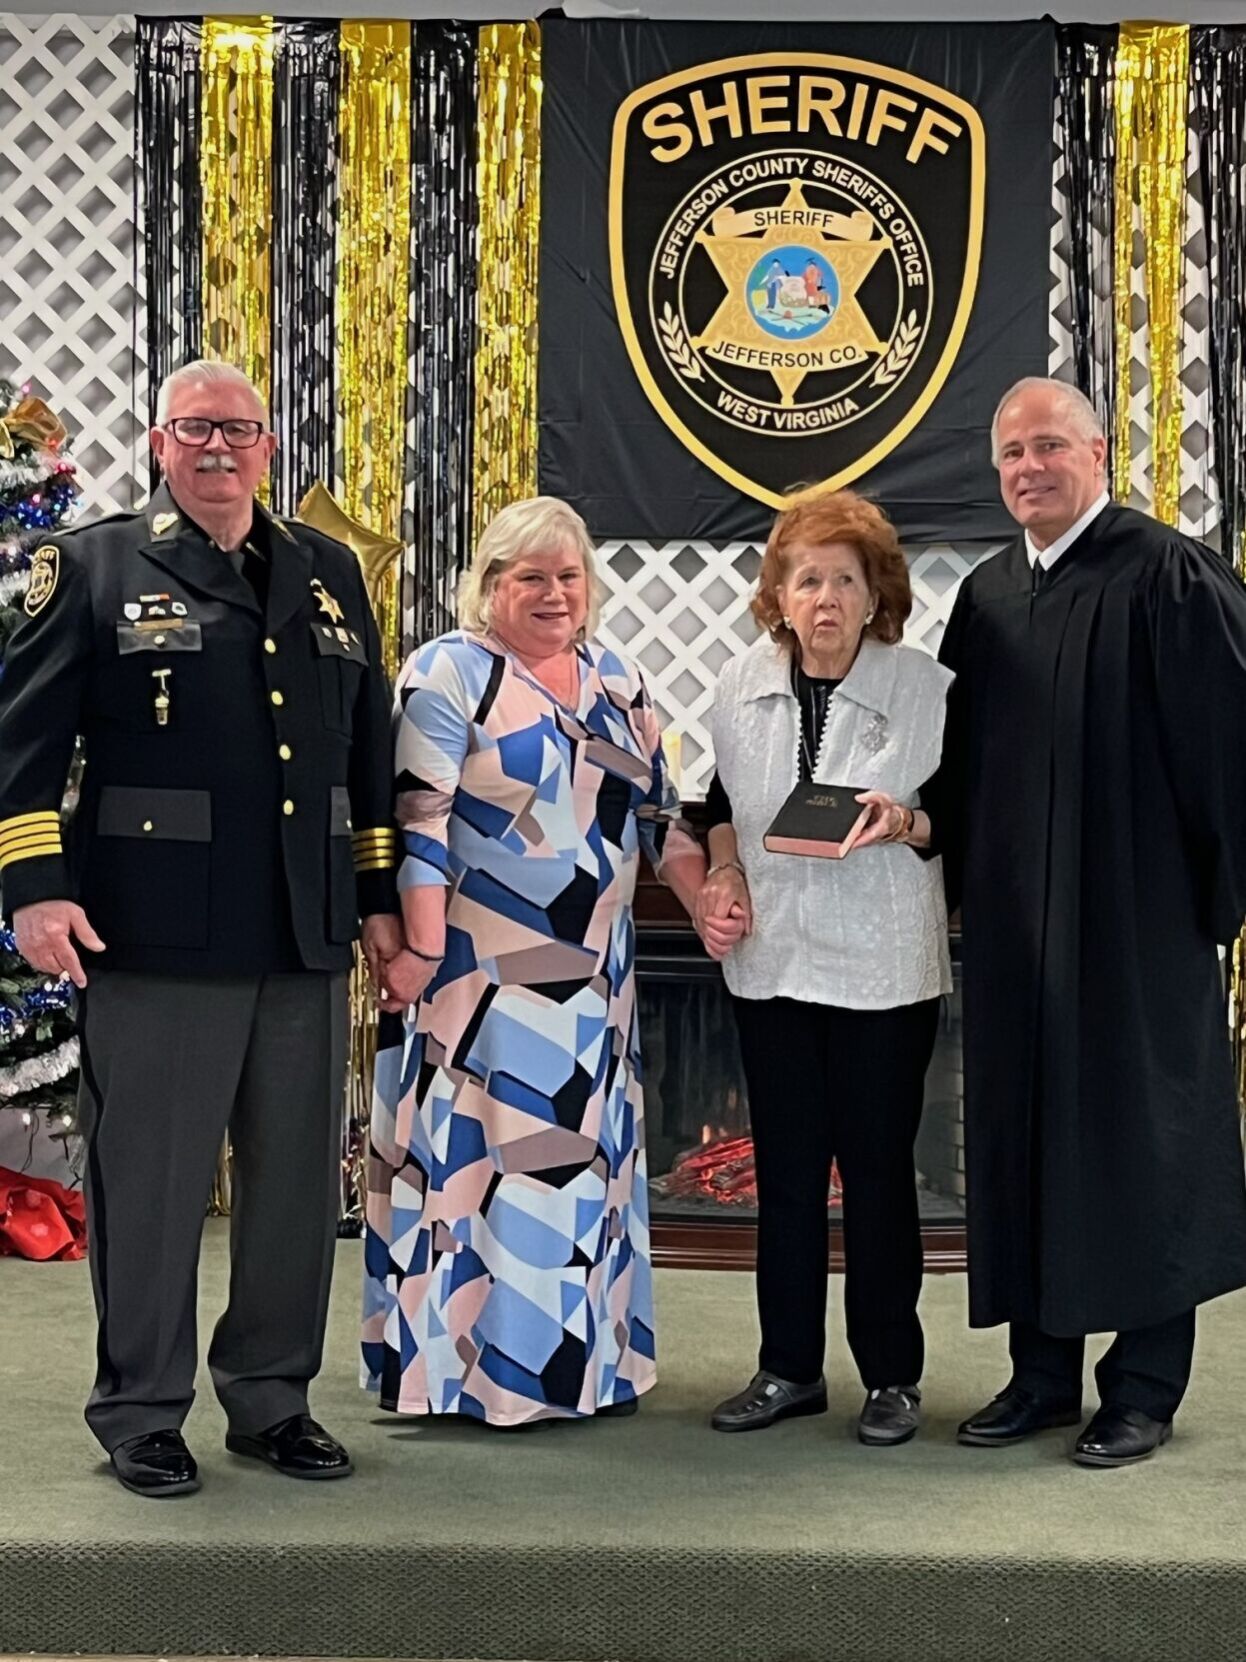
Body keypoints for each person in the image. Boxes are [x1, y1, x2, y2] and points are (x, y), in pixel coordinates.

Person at [0, 362, 403, 1497]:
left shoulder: (326, 574)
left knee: (290, 1193)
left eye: (239, 429)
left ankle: (272, 1399)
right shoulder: (89, 567)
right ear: (158, 441)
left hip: (300, 931)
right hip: (155, 933)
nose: (219, 448)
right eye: (196, 429)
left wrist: (377, 903)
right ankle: (141, 1411)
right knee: (155, 1183)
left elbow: (363, 754)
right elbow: (20, 748)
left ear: (269, 444)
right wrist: (34, 890)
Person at [916, 376, 1246, 1466]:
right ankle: (1041, 1375)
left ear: (1098, 453)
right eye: (1011, 454)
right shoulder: (986, 597)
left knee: (1140, 1143)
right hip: (1016, 931)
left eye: (1049, 447)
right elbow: (955, 768)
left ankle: (1144, 1387)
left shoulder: (1169, 578)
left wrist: (1211, 905)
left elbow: (1227, 755)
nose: (1028, 470)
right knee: (1024, 1137)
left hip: (1135, 926)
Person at [362, 496, 731, 1425]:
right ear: (488, 587)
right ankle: (469, 1378)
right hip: (475, 977)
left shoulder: (617, 677)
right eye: (530, 576)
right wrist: (419, 951)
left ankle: (586, 1371)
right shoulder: (447, 671)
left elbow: (658, 818)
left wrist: (707, 900)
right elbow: (419, 822)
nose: (555, 593)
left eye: (569, 576)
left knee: (582, 1168)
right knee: (491, 1166)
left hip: (595, 980)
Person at [695, 488, 953, 1445]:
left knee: (879, 1173)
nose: (826, 596)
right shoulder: (735, 687)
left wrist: (907, 822)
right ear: (780, 593)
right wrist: (722, 869)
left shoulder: (925, 687)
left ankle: (892, 1377)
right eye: (808, 578)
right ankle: (787, 1368)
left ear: (875, 590)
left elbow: (962, 818)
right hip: (774, 963)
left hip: (883, 968)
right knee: (790, 1177)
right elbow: (711, 802)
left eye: (845, 578)